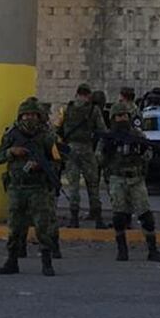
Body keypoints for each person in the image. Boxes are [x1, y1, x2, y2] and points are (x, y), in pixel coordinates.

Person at [0, 98, 63, 277]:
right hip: (17, 187)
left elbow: (57, 162)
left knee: (42, 226)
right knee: (15, 226)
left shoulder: (47, 136)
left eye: (32, 115)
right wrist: (12, 152)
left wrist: (40, 165)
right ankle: (12, 261)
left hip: (38, 188)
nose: (28, 118)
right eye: (25, 115)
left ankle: (47, 262)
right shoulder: (11, 134)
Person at [98, 103, 160, 263]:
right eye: (118, 116)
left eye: (124, 116)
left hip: (136, 179)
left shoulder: (137, 134)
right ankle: (122, 250)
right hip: (117, 179)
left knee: (146, 216)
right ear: (113, 118)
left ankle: (153, 250)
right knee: (119, 217)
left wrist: (141, 150)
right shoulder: (108, 136)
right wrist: (109, 148)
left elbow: (149, 154)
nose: (122, 119)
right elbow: (99, 159)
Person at [57, 83, 107, 229]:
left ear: (77, 93)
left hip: (71, 150)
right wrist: (98, 150)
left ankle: (74, 220)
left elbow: (56, 129)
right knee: (93, 185)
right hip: (87, 149)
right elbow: (103, 132)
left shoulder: (66, 108)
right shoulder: (94, 110)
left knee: (73, 186)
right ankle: (98, 219)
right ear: (88, 95)